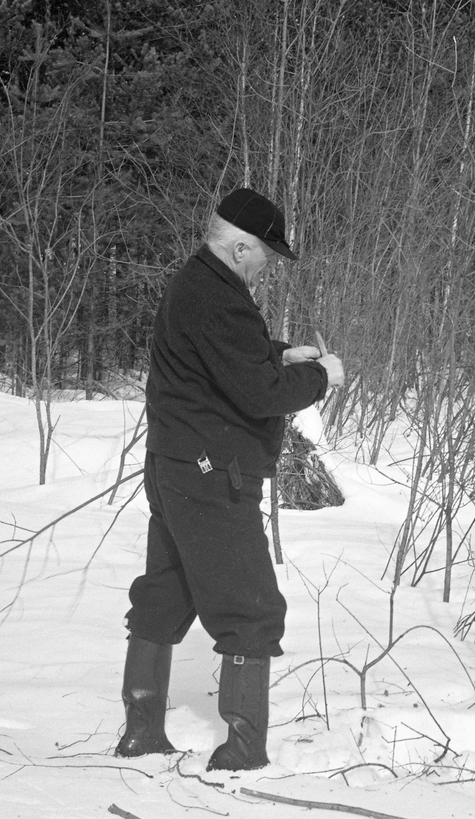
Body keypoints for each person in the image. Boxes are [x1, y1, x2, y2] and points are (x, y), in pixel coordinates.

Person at [115, 187, 345, 771]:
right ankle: (244, 749)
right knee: (252, 609)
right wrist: (321, 378)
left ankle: (142, 731)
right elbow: (258, 392)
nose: (268, 263)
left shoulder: (196, 283)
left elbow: (231, 355)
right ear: (240, 246)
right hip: (212, 472)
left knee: (167, 592)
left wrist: (282, 352)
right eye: (266, 252)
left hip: (176, 465)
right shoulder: (218, 298)